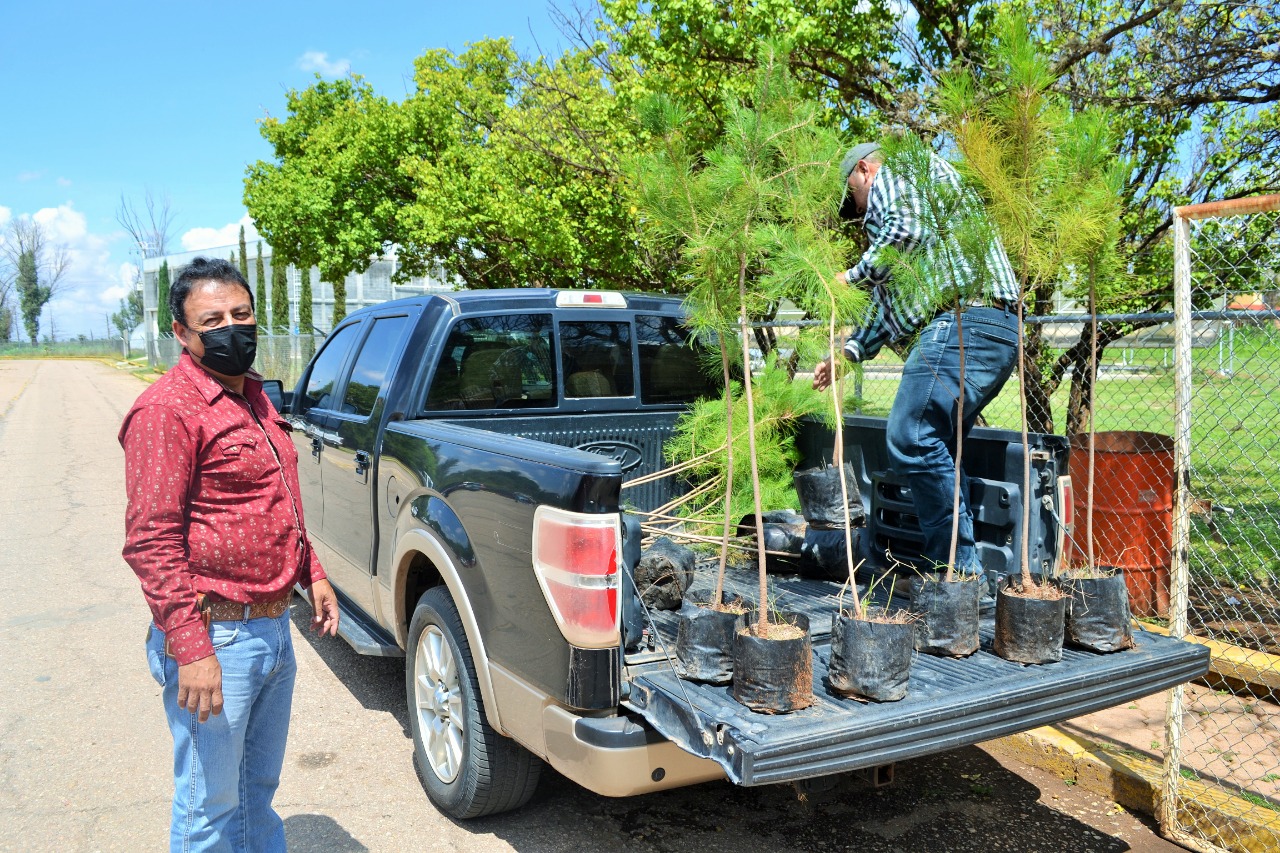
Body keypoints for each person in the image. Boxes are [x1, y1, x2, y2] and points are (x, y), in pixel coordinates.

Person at [119, 256, 339, 852]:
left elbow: (279, 497)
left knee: (254, 792)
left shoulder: (254, 398)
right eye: (211, 320)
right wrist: (192, 651)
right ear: (182, 334)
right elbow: (150, 540)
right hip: (215, 637)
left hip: (271, 628)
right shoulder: (167, 410)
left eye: (241, 314)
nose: (231, 328)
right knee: (210, 807)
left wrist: (311, 572)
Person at [814, 141, 1022, 577]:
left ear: (865, 170)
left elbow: (902, 232)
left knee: (910, 434)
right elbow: (888, 301)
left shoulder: (896, 175)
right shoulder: (919, 204)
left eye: (852, 194)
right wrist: (847, 355)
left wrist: (848, 277)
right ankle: (956, 575)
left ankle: (956, 570)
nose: (855, 209)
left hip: (963, 319)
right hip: (995, 328)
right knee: (941, 445)